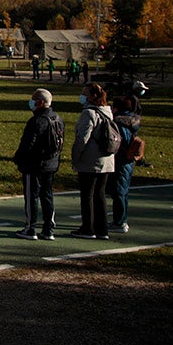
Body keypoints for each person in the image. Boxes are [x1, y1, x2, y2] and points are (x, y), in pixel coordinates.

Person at [12, 88, 64, 240]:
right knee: (47, 195)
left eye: (33, 100)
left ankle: (30, 228)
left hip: (34, 164)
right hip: (51, 163)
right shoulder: (58, 118)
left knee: (31, 196)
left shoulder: (36, 121)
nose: (31, 102)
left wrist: (19, 159)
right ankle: (48, 228)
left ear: (40, 102)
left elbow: (27, 144)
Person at [71, 82, 115, 239]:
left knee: (87, 194)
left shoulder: (88, 113)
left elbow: (82, 138)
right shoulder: (107, 112)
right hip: (106, 159)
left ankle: (87, 228)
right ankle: (102, 229)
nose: (82, 96)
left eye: (85, 93)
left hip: (91, 159)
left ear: (93, 96)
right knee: (100, 194)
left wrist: (75, 158)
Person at [109, 96, 141, 233]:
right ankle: (121, 219)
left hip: (121, 159)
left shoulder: (120, 123)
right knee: (122, 191)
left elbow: (120, 141)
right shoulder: (132, 121)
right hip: (126, 160)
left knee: (119, 191)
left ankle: (120, 221)